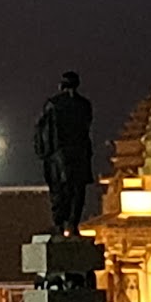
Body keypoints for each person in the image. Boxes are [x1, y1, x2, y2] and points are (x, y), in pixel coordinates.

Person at [33, 71, 93, 237]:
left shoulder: (54, 104)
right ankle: (72, 223)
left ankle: (60, 224)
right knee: (76, 192)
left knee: (60, 192)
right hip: (79, 154)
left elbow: (41, 129)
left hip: (58, 154)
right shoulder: (84, 104)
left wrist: (43, 151)